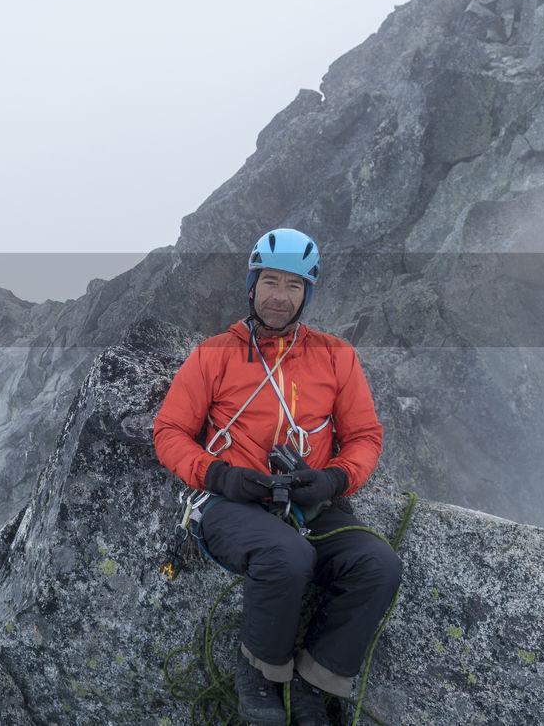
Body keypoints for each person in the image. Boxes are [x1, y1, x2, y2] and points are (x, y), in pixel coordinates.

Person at [153, 228, 402, 726]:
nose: (279, 297)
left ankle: (315, 682)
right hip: (229, 504)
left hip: (310, 504)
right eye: (270, 282)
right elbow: (169, 431)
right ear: (251, 286)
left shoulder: (336, 356)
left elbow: (365, 436)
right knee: (287, 555)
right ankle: (260, 673)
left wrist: (334, 481)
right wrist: (219, 476)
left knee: (378, 566)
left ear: (307, 293)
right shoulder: (214, 355)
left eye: (294, 286)